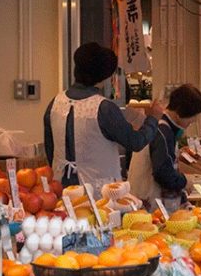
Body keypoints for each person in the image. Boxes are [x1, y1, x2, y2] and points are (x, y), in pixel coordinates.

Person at [44, 42, 165, 187]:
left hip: (61, 189)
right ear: (104, 76)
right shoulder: (104, 108)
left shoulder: (55, 103)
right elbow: (136, 142)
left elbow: (50, 149)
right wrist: (153, 118)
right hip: (99, 193)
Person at [128, 84, 201, 210]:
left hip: (147, 204)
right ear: (180, 113)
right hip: (151, 208)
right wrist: (184, 181)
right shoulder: (162, 132)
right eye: (192, 117)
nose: (193, 121)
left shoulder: (162, 127)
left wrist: (183, 199)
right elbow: (163, 173)